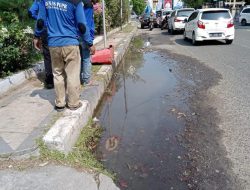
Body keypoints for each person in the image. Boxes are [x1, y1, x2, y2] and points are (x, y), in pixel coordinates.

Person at [33, 0, 95, 111]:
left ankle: (60, 103)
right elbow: (82, 25)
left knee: (57, 73)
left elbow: (40, 20)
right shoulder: (76, 2)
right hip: (70, 43)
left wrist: (36, 36)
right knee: (73, 74)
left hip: (53, 44)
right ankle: (73, 103)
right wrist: (89, 43)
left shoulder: (45, 1)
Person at [28, 0, 54, 89]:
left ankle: (50, 80)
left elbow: (31, 12)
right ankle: (64, 78)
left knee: (47, 55)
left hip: (45, 29)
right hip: (58, 29)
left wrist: (39, 18)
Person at [80, 0, 97, 86]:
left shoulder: (78, 2)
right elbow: (86, 23)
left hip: (76, 36)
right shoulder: (88, 5)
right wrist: (90, 41)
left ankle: (79, 79)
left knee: (79, 59)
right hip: (85, 37)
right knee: (86, 58)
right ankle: (86, 80)